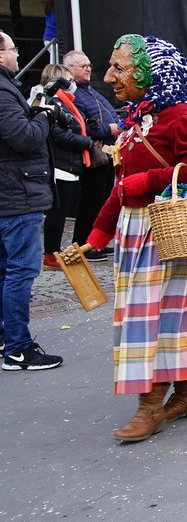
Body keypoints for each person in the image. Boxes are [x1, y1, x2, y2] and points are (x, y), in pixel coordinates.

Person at [76, 34, 187, 439]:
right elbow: (121, 186)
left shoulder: (183, 117)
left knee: (160, 323)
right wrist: (97, 235)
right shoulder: (138, 120)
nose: (109, 76)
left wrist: (148, 179)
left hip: (167, 232)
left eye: (120, 68)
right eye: (111, 66)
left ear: (153, 72)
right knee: (167, 319)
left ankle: (151, 407)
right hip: (137, 235)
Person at [0, 31, 64, 371]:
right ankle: (18, 348)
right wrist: (43, 115)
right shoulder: (2, 91)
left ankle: (7, 339)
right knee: (19, 272)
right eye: (13, 49)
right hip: (16, 195)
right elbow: (24, 138)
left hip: (12, 193)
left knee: (6, 271)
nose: (18, 56)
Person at [32, 65, 92, 272]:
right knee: (57, 212)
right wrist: (87, 142)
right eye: (68, 79)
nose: (73, 84)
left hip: (68, 163)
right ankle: (50, 253)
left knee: (62, 210)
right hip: (60, 164)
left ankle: (53, 250)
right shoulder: (53, 102)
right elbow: (58, 134)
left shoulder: (66, 104)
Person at [65, 49, 121, 259]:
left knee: (103, 199)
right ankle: (83, 242)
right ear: (71, 69)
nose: (89, 69)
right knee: (91, 199)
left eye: (89, 65)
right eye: (83, 66)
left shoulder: (90, 91)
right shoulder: (74, 95)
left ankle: (95, 242)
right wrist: (110, 129)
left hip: (105, 152)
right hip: (93, 153)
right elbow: (80, 127)